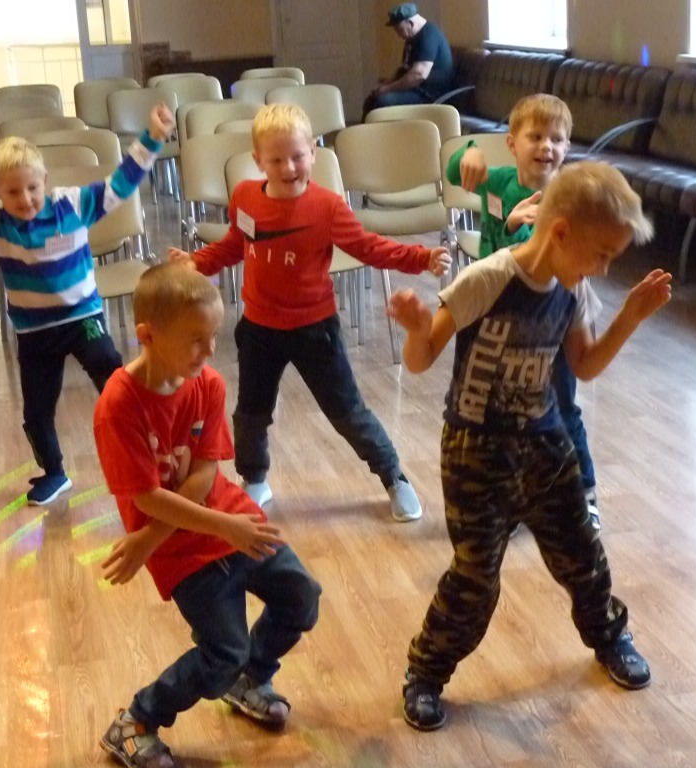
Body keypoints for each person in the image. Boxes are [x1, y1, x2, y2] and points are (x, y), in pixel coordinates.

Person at [388, 161, 672, 731]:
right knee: (475, 578)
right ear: (560, 232)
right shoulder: (488, 279)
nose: (604, 268)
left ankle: (609, 637)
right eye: (601, 255)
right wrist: (418, 329)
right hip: (475, 450)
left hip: (545, 442)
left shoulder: (573, 287)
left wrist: (631, 317)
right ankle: (426, 671)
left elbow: (584, 365)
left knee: (584, 556)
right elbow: (420, 361)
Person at [168, 103, 452, 522]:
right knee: (250, 416)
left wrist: (420, 257)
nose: (288, 167)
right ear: (258, 160)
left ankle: (393, 476)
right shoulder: (245, 197)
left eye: (297, 156)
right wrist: (197, 262)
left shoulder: (327, 207)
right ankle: (255, 478)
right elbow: (233, 246)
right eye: (276, 159)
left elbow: (369, 247)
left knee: (348, 414)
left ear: (313, 153)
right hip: (260, 330)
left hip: (315, 330)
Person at [94, 262, 321, 768]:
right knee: (222, 652)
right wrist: (167, 538)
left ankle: (249, 678)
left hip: (232, 522)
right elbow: (148, 497)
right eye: (197, 339)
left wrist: (170, 534)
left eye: (214, 335)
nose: (211, 349)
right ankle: (136, 720)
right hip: (183, 553)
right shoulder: (118, 406)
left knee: (302, 598)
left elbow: (202, 475)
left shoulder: (207, 384)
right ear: (147, 335)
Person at [0, 95, 174, 506]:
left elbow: (122, 181)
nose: (25, 198)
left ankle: (147, 453)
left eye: (32, 188)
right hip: (34, 331)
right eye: (12, 191)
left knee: (113, 376)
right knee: (36, 412)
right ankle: (55, 472)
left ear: (45, 180)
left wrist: (152, 137)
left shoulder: (72, 205)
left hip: (83, 317)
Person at [448, 93, 602, 528]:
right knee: (505, 415)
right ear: (512, 143)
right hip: (501, 320)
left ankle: (583, 495)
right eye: (535, 136)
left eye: (557, 138)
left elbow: (555, 259)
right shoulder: (498, 182)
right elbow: (455, 171)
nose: (546, 146)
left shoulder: (573, 196)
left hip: (554, 320)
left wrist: (517, 229)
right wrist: (469, 150)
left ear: (567, 147)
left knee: (562, 406)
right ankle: (515, 498)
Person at [363, 2, 454, 115]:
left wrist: (388, 89)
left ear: (410, 23)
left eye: (399, 30)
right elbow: (405, 69)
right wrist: (387, 83)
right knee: (371, 100)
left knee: (382, 101)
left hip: (429, 95)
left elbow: (419, 75)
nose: (398, 35)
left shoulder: (429, 36)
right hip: (415, 90)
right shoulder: (411, 39)